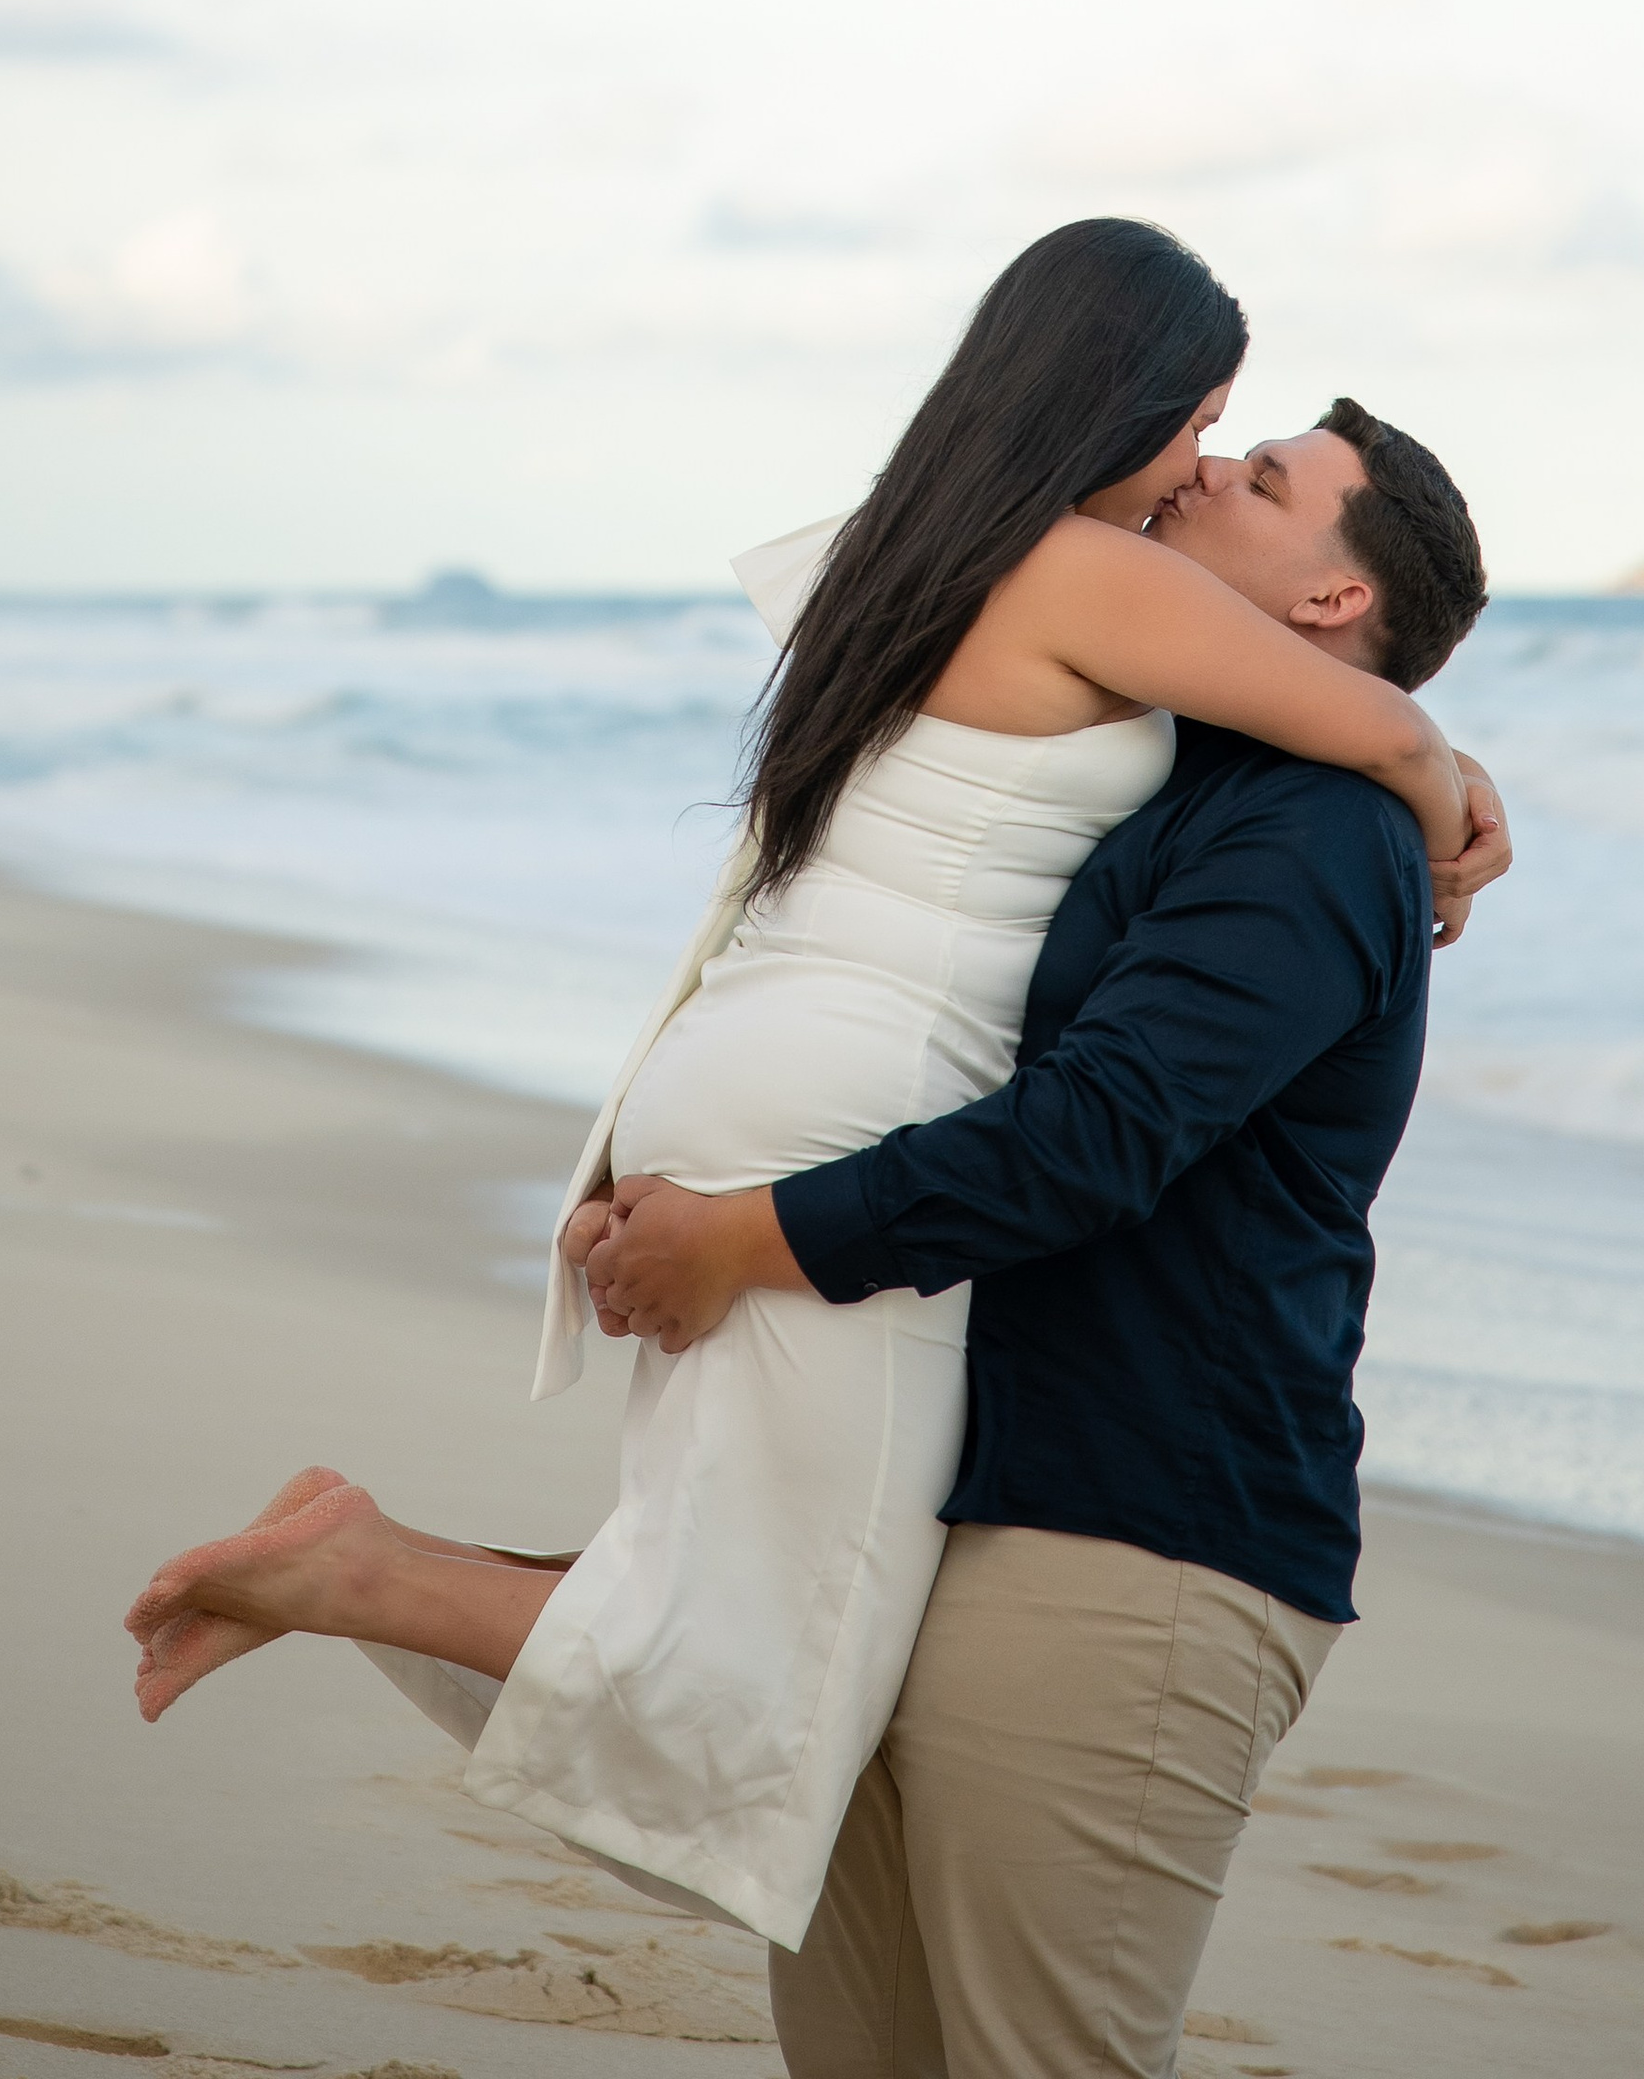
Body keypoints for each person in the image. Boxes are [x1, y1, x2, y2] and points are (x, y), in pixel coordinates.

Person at [122, 222, 1503, 1963]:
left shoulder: (912, 548)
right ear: (1124, 394)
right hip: (850, 1099)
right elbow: (1375, 733)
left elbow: (1332, 716)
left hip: (742, 1061)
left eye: (1250, 452)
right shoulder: (1095, 572)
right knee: (779, 1638)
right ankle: (365, 1569)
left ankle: (376, 1558)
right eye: (1209, 419)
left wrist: (1428, 769)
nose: (1203, 463)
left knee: (737, 1578)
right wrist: (1452, 803)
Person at [577, 397, 1492, 2078]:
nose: (1208, 465)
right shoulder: (1146, 760)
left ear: (1334, 605)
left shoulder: (1321, 835)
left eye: (1265, 476)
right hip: (954, 1498)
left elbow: (1094, 1140)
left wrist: (749, 1236)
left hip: (1139, 1541)